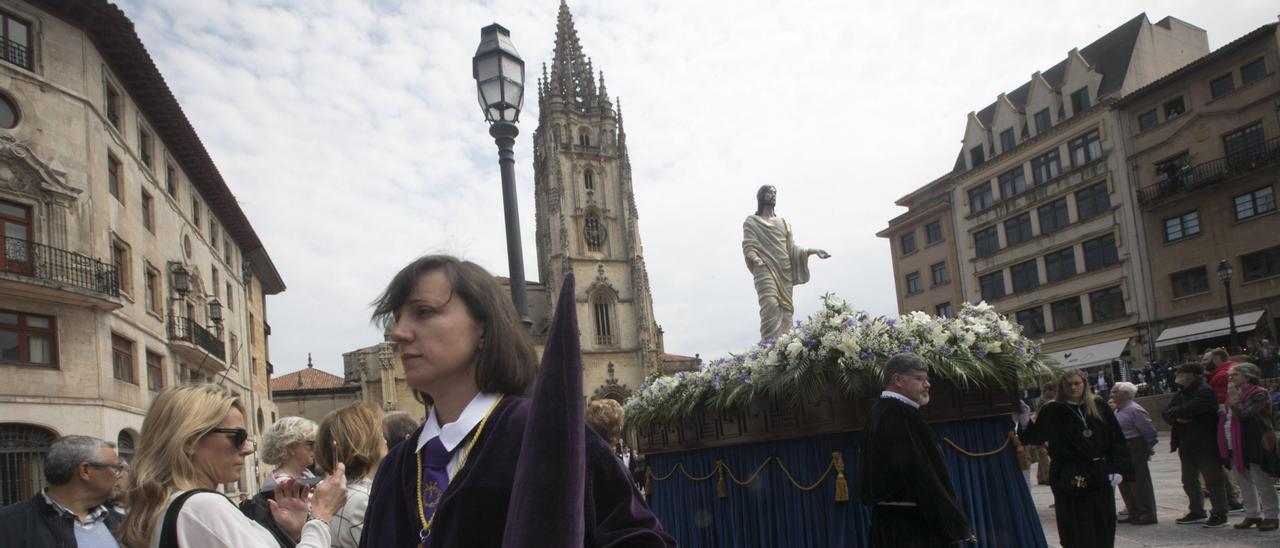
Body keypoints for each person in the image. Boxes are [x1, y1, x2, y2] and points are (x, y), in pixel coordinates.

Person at [357, 255, 673, 547]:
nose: (398, 332)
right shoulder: (395, 469)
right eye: (398, 317)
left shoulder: (546, 437)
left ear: (483, 326)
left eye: (423, 312)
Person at [117, 384, 349, 548]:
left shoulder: (171, 505)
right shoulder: (201, 506)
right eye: (236, 437)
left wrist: (291, 531)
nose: (247, 449)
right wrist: (321, 517)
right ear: (189, 442)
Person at [858, 353, 972, 547]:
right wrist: (952, 524)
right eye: (919, 378)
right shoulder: (900, 416)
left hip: (892, 524)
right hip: (914, 529)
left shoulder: (882, 410)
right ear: (897, 380)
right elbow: (922, 475)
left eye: (926, 378)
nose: (927, 384)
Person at [1019, 369, 1130, 547]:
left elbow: (1115, 437)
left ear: (1084, 384)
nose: (1073, 387)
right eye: (1068, 384)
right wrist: (1025, 419)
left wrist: (1118, 468)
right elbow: (1035, 437)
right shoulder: (1052, 409)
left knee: (1102, 517)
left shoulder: (1098, 405)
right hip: (1069, 472)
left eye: (1077, 383)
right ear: (1062, 387)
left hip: (1098, 470)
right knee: (1074, 519)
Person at [0, 435, 125, 547]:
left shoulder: (123, 523)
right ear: (86, 470)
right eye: (116, 468)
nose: (119, 476)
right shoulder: (8, 525)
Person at [741, 185, 830, 340]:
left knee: (786, 310)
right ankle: (768, 349)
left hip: (784, 268)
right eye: (769, 193)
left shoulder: (784, 223)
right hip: (764, 267)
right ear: (761, 197)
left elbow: (792, 248)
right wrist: (756, 259)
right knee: (770, 303)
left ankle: (784, 350)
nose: (773, 195)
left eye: (775, 193)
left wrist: (812, 251)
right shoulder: (752, 221)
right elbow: (749, 246)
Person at [1162, 363, 1231, 528]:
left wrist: (1177, 414)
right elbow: (1166, 413)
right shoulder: (1181, 393)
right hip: (1186, 443)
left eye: (1180, 373)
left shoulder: (1205, 391)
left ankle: (1220, 513)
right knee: (1188, 480)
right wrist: (1177, 417)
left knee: (1213, 480)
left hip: (1205, 443)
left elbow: (1187, 409)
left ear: (1191, 375)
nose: (1177, 375)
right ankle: (1197, 510)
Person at [315, 403, 388, 547]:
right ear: (366, 442)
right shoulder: (363, 501)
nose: (385, 441)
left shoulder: (335, 493)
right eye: (380, 435)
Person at [1219, 362, 1279, 531]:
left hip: (1255, 442)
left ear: (1247, 376)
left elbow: (1246, 414)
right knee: (1243, 481)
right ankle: (1252, 513)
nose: (1231, 379)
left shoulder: (1260, 393)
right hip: (1236, 443)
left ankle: (1271, 515)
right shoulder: (1232, 395)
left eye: (1235, 375)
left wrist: (1235, 401)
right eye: (1230, 376)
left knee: (1262, 480)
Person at [1110, 382, 1158, 525]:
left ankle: (1146, 512)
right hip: (1121, 448)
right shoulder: (1118, 410)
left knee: (1139, 482)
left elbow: (1149, 431)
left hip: (1134, 445)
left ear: (1125, 394)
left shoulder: (1135, 410)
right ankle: (1134, 511)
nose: (1112, 394)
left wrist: (1147, 448)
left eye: (1115, 391)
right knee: (1124, 482)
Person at [259, 417, 318, 492]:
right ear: (291, 448)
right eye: (311, 444)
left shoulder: (305, 474)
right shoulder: (282, 485)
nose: (315, 449)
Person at [1033, 383, 1057, 486]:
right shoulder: (1042, 403)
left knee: (1043, 454)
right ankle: (1045, 477)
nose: (1044, 393)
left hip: (1052, 433)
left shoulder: (1057, 402)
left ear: (1052, 391)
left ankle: (1043, 476)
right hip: (1042, 433)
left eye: (1045, 390)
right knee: (1042, 454)